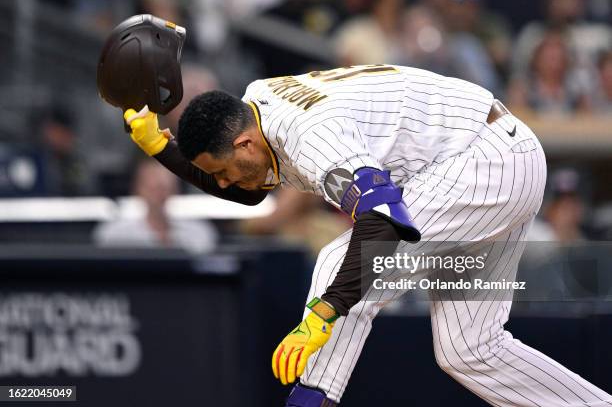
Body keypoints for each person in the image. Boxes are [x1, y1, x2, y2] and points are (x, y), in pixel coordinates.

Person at [120, 63, 612, 406]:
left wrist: (325, 312)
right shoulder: (255, 108)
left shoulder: (309, 134)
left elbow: (384, 222)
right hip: (489, 159)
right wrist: (163, 147)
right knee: (469, 349)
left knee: (340, 264)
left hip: (484, 163)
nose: (224, 184)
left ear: (245, 141)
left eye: (224, 171)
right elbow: (250, 189)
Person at [92, 158, 218, 254]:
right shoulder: (114, 234)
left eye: (164, 188)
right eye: (153, 188)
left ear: (174, 190)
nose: (159, 195)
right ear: (138, 190)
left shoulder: (199, 232)